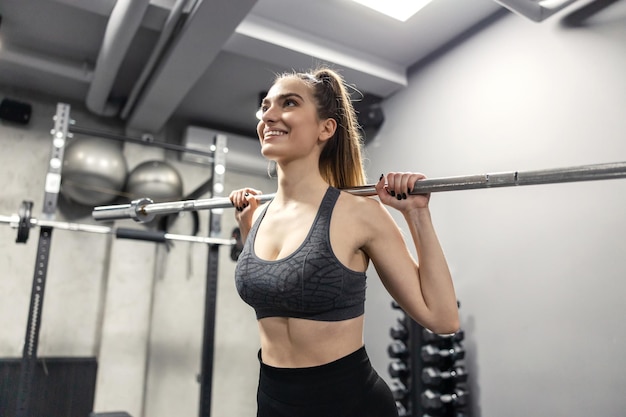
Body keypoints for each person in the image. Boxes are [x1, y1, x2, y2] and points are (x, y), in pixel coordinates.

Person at [229, 67, 459, 417]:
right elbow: (276, 288)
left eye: (288, 103)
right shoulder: (259, 217)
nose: (269, 115)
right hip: (272, 402)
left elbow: (443, 319)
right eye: (266, 106)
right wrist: (247, 228)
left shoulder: (359, 213)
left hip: (349, 404)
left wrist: (416, 215)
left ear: (326, 128)